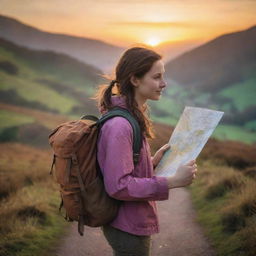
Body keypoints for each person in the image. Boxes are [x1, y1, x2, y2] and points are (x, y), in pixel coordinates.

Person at [92, 46, 197, 256]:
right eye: (157, 77)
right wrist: (173, 182)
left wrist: (152, 162)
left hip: (130, 221)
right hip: (126, 225)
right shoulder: (120, 125)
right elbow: (118, 186)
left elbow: (122, 166)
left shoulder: (129, 117)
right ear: (135, 80)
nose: (163, 83)